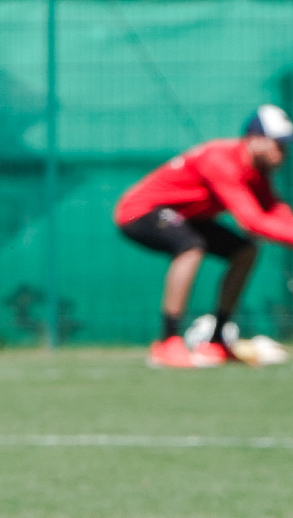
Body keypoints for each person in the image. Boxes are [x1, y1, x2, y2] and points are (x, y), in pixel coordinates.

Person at [114, 104, 293, 368]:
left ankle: (217, 340)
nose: (283, 151)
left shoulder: (257, 170)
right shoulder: (221, 159)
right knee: (190, 246)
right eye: (278, 143)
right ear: (254, 140)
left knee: (245, 251)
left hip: (185, 217)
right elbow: (252, 222)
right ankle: (167, 342)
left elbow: (274, 211)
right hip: (138, 212)